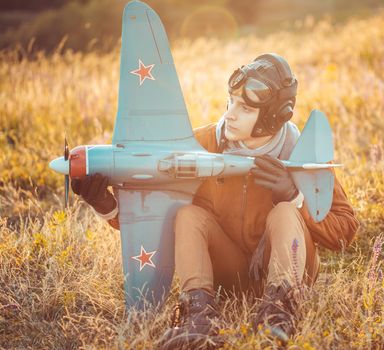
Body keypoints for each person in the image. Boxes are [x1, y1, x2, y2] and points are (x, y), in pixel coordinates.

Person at [71, 53, 359, 348]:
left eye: (245, 108)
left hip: (292, 264)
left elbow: (345, 230)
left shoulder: (302, 150)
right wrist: (106, 206)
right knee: (188, 215)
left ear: (274, 116)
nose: (230, 114)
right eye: (231, 101)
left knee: (285, 211)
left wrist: (296, 197)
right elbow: (158, 213)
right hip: (229, 273)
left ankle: (280, 311)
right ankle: (197, 315)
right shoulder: (201, 145)